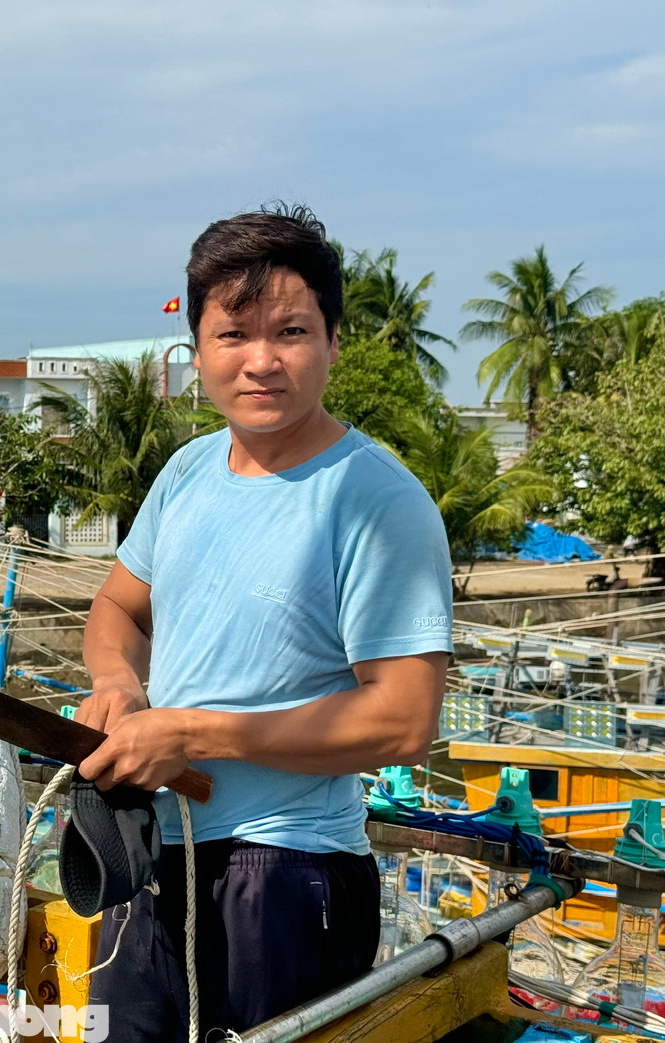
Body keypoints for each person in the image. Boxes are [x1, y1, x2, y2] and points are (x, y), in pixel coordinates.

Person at [74, 205, 453, 1038]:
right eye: (232, 335)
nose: (261, 361)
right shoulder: (187, 472)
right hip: (148, 856)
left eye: (291, 330)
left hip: (284, 877)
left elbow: (402, 719)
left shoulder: (376, 499)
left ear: (333, 341)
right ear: (197, 348)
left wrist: (194, 735)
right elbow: (119, 606)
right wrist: (118, 684)